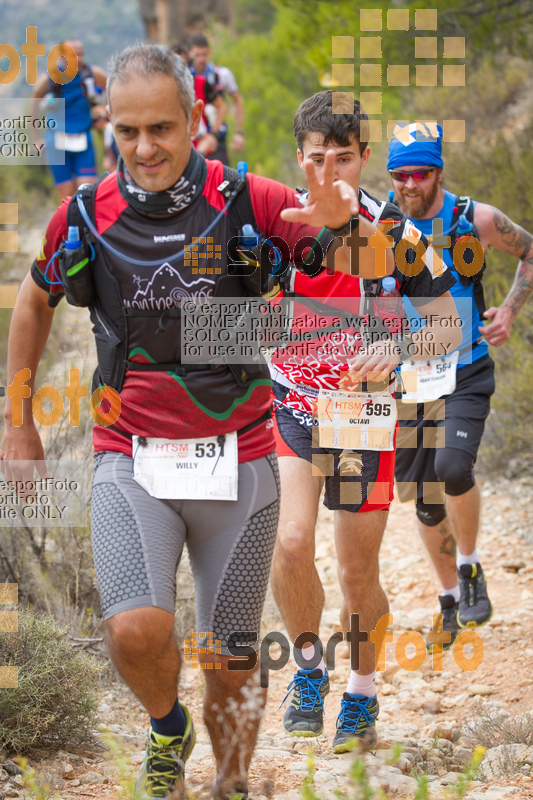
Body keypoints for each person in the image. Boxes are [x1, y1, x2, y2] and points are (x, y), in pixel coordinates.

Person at [0, 45, 363, 800]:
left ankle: (230, 785)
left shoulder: (251, 201)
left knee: (229, 657)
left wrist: (345, 227)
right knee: (135, 630)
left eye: (161, 128)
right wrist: (19, 420)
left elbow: (355, 270)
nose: (144, 148)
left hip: (241, 459)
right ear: (110, 130)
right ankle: (168, 725)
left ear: (194, 121)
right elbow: (35, 300)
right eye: (127, 132)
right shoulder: (85, 216)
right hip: (129, 453)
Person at [269, 93, 460, 753]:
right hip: (292, 404)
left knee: (356, 571)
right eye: (316, 159)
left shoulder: (397, 235)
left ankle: (361, 691)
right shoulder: (274, 228)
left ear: (363, 157)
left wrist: (398, 348)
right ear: (299, 158)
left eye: (343, 158)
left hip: (361, 415)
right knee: (290, 544)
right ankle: (307, 671)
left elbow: (446, 324)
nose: (329, 172)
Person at [388, 122, 533, 651]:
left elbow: (530, 252)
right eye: (399, 174)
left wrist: (510, 312)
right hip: (409, 377)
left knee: (453, 467)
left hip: (468, 366)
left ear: (439, 172)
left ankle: (470, 569)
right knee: (425, 501)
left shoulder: (477, 219)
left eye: (419, 173)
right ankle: (449, 599)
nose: (408, 184)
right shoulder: (380, 226)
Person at [31, 39, 107, 201]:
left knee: (87, 192)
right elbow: (35, 100)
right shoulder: (50, 79)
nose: (79, 58)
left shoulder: (92, 74)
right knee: (65, 196)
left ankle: (85, 226)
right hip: (56, 141)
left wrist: (104, 115)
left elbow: (110, 85)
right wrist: (36, 138)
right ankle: (69, 226)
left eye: (81, 54)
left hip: (83, 138)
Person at [188, 33, 245, 165]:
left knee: (222, 181)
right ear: (190, 53)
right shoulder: (185, 76)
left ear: (210, 52)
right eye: (197, 55)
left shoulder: (221, 74)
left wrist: (239, 132)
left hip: (218, 137)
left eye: (204, 54)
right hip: (195, 138)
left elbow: (237, 100)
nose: (201, 59)